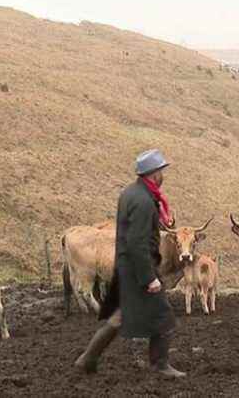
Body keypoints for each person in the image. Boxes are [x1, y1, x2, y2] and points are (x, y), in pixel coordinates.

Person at [74, 149, 185, 378]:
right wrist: (149, 278)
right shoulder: (144, 201)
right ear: (154, 174)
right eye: (162, 171)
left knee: (119, 317)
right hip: (139, 269)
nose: (163, 175)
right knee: (164, 317)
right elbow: (137, 242)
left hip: (128, 266)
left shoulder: (130, 192)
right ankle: (160, 365)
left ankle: (87, 359)